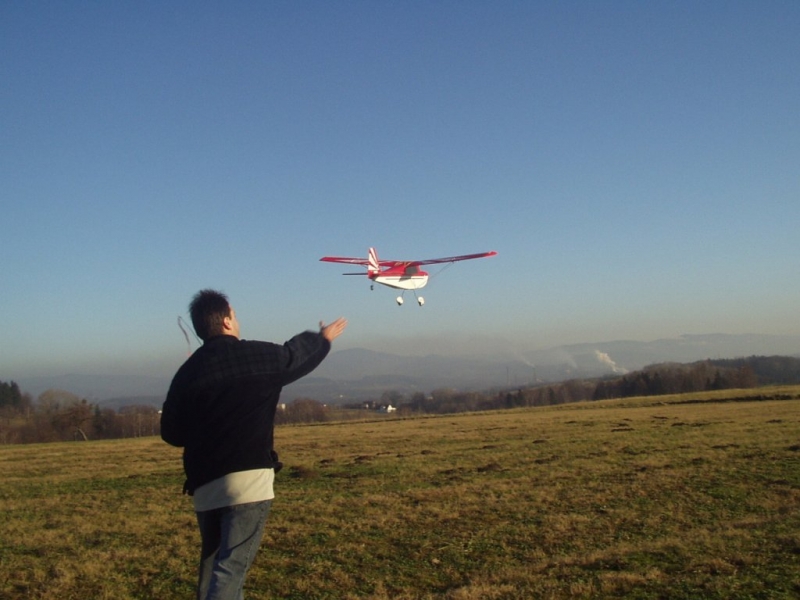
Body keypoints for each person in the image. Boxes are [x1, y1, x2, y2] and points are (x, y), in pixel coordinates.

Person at [161, 289, 347, 600]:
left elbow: (172, 433)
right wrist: (323, 337)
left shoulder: (187, 373)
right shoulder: (257, 356)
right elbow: (294, 356)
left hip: (205, 487)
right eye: (235, 314)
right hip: (249, 481)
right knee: (230, 569)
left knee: (211, 568)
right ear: (227, 320)